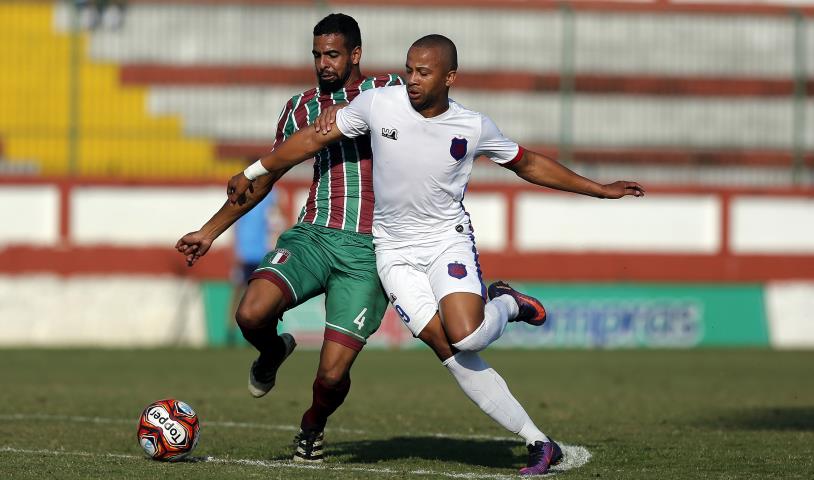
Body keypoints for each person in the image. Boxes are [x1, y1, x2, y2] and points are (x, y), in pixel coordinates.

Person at [227, 34, 645, 475]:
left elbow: (528, 163)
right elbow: (312, 139)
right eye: (409, 69)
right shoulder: (379, 104)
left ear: (450, 77)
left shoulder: (472, 126)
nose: (412, 79)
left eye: (423, 72)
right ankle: (539, 442)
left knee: (468, 335)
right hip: (392, 253)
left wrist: (598, 189)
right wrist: (253, 169)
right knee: (447, 346)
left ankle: (506, 302)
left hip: (447, 242)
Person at [175, 13, 402, 462]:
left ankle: (312, 428)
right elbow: (267, 176)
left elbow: (434, 99)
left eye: (333, 54)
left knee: (332, 376)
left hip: (368, 250)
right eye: (317, 54)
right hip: (313, 237)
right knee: (251, 314)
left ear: (356, 54)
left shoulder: (389, 92)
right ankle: (273, 348)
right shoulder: (300, 108)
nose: (323, 63)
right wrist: (209, 231)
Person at [226, 189, 281, 346]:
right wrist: (236, 250)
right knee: (237, 292)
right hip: (245, 253)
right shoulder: (243, 194)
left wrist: (275, 243)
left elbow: (276, 220)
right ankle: (230, 332)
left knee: (259, 294)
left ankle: (256, 334)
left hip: (262, 252)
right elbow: (235, 224)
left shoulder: (271, 195)